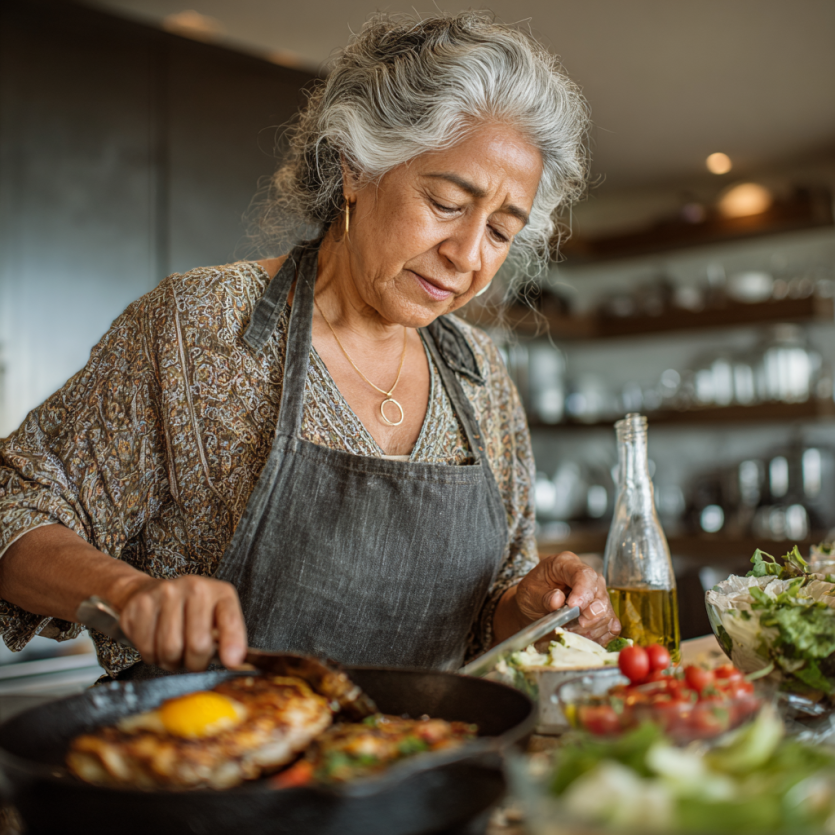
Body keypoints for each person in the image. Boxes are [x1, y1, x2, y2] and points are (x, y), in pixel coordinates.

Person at [0, 11, 620, 679]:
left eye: (500, 231)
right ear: (356, 169)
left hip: (428, 743)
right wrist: (132, 594)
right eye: (446, 203)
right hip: (210, 739)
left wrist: (530, 608)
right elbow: (17, 507)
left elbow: (484, 621)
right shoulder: (202, 325)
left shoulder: (479, 375)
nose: (467, 255)